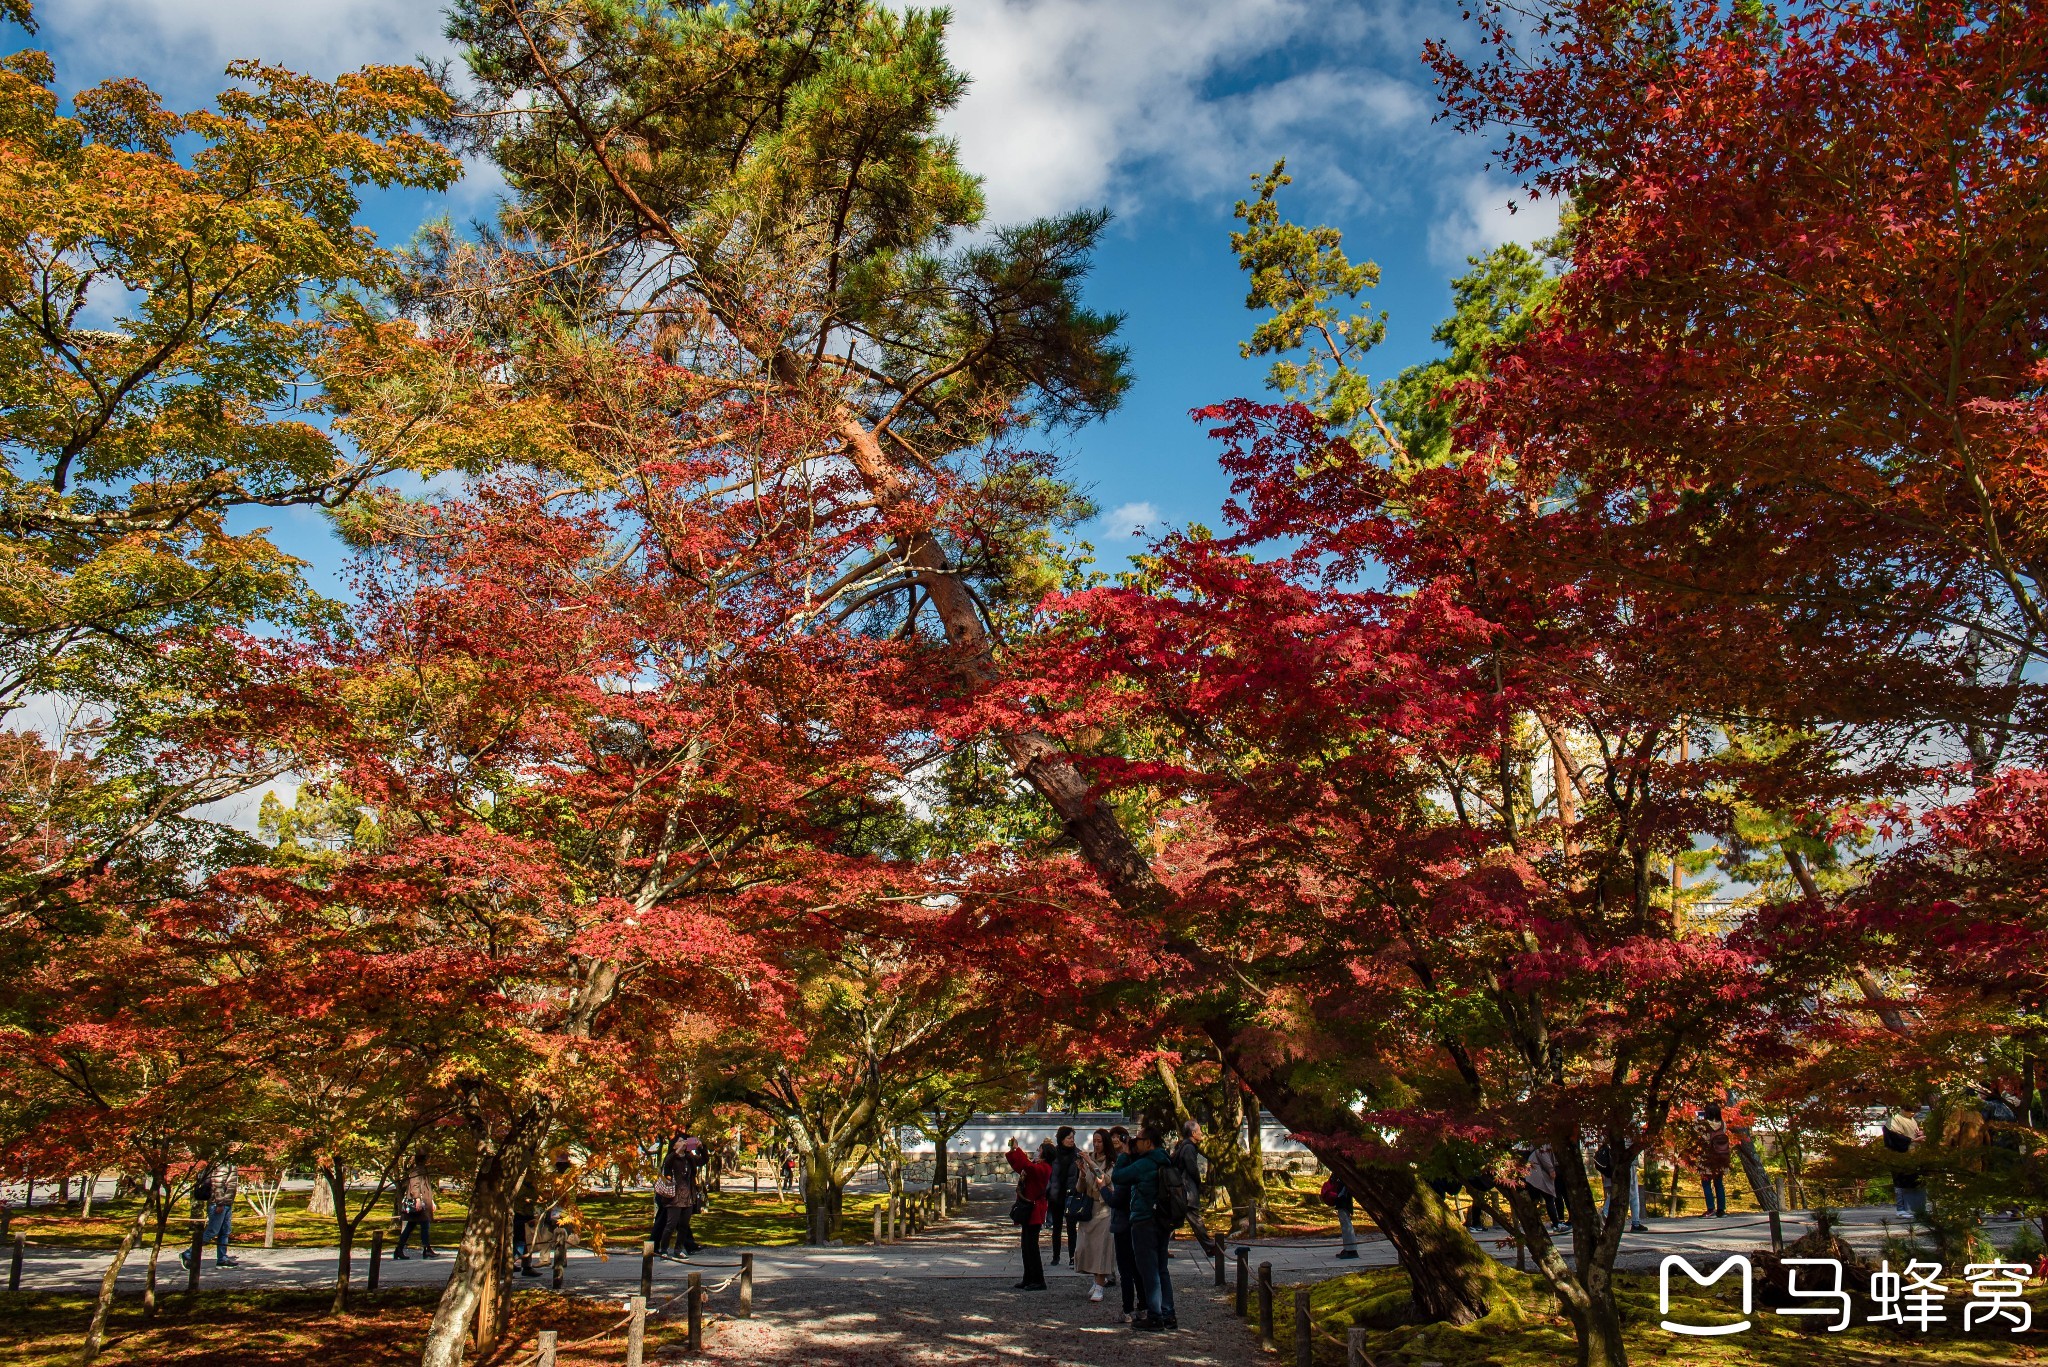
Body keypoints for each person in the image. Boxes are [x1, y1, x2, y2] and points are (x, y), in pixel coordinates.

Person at [1114, 1127, 1176, 1331]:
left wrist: (1124, 1156)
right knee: (1161, 1268)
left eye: (1138, 1139)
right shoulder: (1164, 1159)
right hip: (1162, 1220)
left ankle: (1155, 1315)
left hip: (1144, 1220)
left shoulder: (1145, 1163)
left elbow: (1119, 1177)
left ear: (1148, 1142)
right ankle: (1168, 1314)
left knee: (1148, 1269)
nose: (1135, 1142)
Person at [1071, 1131, 1118, 1301]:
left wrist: (1091, 1163)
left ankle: (1100, 1284)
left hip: (1104, 1209)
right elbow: (1080, 1188)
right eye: (1094, 1141)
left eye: (1099, 1141)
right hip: (1089, 1207)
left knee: (1102, 1248)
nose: (1096, 1144)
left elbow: (1105, 1180)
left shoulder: (1112, 1163)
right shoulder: (1088, 1160)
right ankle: (1096, 1280)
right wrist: (1082, 1175)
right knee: (1085, 1246)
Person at [1006, 1137, 1051, 1291]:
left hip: (1034, 1209)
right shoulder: (1039, 1166)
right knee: (1026, 1245)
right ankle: (1029, 1277)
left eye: (1039, 1151)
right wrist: (1014, 1151)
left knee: (1031, 1246)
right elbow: (1022, 1165)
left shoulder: (1044, 1168)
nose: (1037, 1152)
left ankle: (1038, 1279)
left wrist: (1017, 1150)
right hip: (1030, 1208)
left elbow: (1025, 1165)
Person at [1172, 1120, 1222, 1258]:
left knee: (1173, 1219)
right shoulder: (1188, 1148)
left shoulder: (1183, 1146)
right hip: (1186, 1190)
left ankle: (1161, 1247)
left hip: (1181, 1190)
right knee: (1195, 1219)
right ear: (1193, 1133)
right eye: (1199, 1131)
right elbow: (1191, 1168)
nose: (1201, 1133)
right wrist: (1199, 1182)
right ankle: (1210, 1246)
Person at [1104, 1128, 1139, 1321]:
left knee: (1126, 1268)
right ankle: (1143, 1306)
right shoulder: (1141, 1166)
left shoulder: (1124, 1170)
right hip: (1137, 1221)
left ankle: (1128, 1309)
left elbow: (1116, 1200)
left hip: (1123, 1222)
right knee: (1137, 1268)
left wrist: (1103, 1188)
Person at [182, 1159, 239, 1270]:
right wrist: (220, 1203)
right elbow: (218, 1184)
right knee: (212, 1231)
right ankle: (188, 1253)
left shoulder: (231, 1163)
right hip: (218, 1203)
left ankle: (222, 1259)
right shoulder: (222, 1163)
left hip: (227, 1203)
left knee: (225, 1231)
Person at [655, 1135, 703, 1258]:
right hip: (674, 1198)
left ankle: (678, 1249)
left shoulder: (688, 1158)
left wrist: (701, 1148)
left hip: (687, 1197)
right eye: (680, 1141)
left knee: (683, 1226)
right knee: (670, 1225)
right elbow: (667, 1164)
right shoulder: (671, 1158)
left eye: (684, 1141)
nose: (683, 1143)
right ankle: (664, 1249)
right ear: (674, 1145)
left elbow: (702, 1161)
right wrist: (678, 1150)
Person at [1882, 1107, 1926, 1218]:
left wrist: (1920, 1134)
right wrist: (1911, 1140)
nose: (1913, 1113)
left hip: (1914, 1155)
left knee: (1916, 1180)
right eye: (1911, 1111)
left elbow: (1913, 1133)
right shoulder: (1895, 1119)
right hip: (1899, 1155)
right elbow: (1893, 1138)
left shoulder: (1912, 1119)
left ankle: (1916, 1208)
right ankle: (1901, 1209)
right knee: (1900, 1181)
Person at [393, 1154, 437, 1259]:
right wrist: (417, 1199)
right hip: (419, 1203)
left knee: (411, 1227)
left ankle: (399, 1250)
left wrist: (431, 1201)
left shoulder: (422, 1170)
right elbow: (415, 1186)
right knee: (424, 1225)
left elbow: (426, 1187)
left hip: (423, 1202)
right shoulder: (417, 1171)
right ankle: (426, 1250)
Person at [1047, 1126, 1079, 1267]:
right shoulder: (1053, 1154)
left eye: (1073, 1138)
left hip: (1071, 1194)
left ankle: (1073, 1256)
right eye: (1069, 1138)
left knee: (1071, 1228)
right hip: (1056, 1194)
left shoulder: (1078, 1154)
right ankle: (1056, 1256)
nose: (1071, 1140)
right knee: (1057, 1227)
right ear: (1061, 1139)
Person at [1697, 1104, 1731, 1218]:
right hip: (1721, 1158)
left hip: (1707, 1158)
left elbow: (1698, 1133)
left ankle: (1710, 1209)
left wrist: (1698, 1119)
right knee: (1719, 1184)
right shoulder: (1723, 1124)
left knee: (1706, 1184)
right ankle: (1721, 1210)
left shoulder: (1703, 1125)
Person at [1523, 1144, 1565, 1231]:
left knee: (1535, 1200)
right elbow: (1544, 1157)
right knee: (1549, 1199)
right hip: (1539, 1175)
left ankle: (1533, 1224)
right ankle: (1556, 1223)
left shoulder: (1536, 1146)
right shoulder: (1543, 1145)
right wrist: (1551, 1170)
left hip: (1532, 1176)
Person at [1322, 1175, 1359, 1258]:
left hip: (1343, 1200)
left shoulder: (1343, 1176)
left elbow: (1344, 1189)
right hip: (1342, 1199)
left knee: (1346, 1225)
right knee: (1345, 1224)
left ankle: (1351, 1249)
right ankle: (1348, 1248)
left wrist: (1339, 1197)